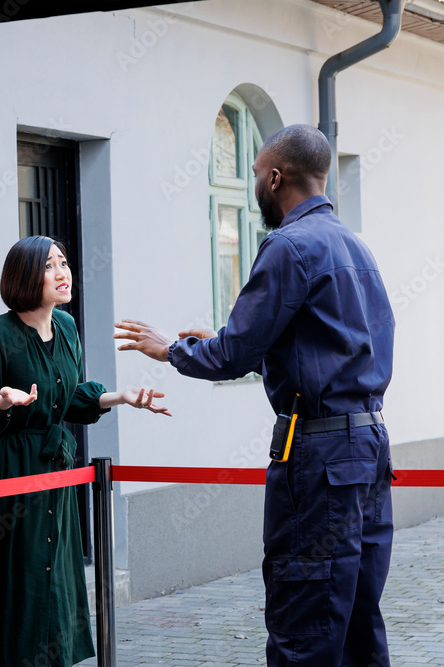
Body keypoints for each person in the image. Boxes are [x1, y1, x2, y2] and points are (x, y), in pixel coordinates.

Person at [113, 124, 394, 667]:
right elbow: (323, 344)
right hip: (369, 448)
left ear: (274, 176)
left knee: (305, 624)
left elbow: (234, 356)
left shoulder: (288, 246)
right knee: (359, 622)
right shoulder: (354, 245)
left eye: (257, 180)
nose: (255, 192)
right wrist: (221, 340)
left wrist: (170, 349)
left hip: (319, 460)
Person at [0, 236, 170, 667]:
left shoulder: (66, 327)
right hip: (14, 467)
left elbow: (74, 396)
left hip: (58, 465)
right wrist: (3, 404)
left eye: (63, 262)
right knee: (22, 571)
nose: (63, 272)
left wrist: (123, 397)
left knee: (58, 569)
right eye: (49, 266)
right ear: (24, 276)